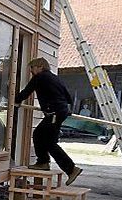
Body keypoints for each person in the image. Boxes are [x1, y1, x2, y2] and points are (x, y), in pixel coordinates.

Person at [15, 57, 83, 186]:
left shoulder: (39, 77)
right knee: (45, 139)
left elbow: (26, 92)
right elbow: (68, 97)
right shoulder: (55, 78)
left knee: (42, 138)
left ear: (40, 66)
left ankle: (65, 167)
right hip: (60, 112)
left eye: (32, 68)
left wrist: (15, 101)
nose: (31, 71)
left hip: (54, 113)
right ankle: (47, 163)